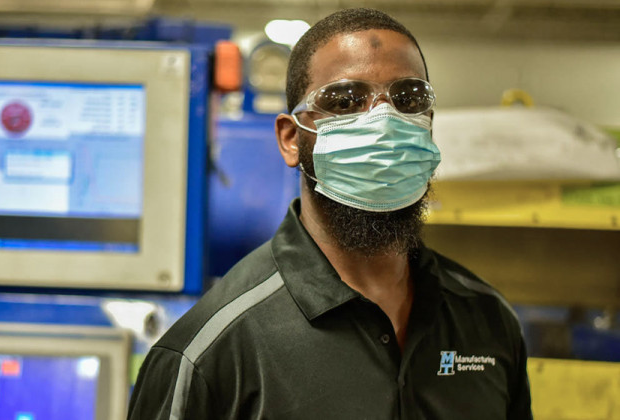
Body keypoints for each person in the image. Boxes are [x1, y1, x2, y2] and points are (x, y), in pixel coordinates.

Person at [128, 8, 532, 420]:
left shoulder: (487, 319)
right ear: (290, 138)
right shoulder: (209, 351)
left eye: (408, 98)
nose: (384, 124)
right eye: (345, 101)